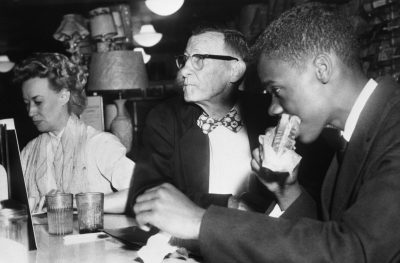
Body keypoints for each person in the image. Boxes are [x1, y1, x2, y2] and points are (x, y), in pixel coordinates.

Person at [133, 3, 400, 263]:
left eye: (277, 90)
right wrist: (287, 189)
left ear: (322, 69)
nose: (272, 108)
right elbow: (322, 235)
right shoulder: (357, 133)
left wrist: (202, 222)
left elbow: (354, 252)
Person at [131, 26, 277, 211]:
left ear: (235, 70)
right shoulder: (164, 119)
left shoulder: (271, 113)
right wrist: (228, 205)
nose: (184, 71)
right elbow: (146, 194)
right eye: (184, 60)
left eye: (199, 60)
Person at [13, 53, 135, 214]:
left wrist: (75, 202)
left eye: (38, 102)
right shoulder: (29, 151)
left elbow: (139, 194)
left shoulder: (99, 143)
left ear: (64, 96)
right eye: (27, 103)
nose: (30, 111)